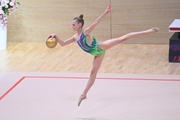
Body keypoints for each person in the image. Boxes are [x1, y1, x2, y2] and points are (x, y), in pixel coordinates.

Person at [47, 4, 159, 106]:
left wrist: (105, 12)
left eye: (73, 25)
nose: (72, 26)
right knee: (93, 73)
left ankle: (148, 31)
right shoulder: (75, 37)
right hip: (97, 55)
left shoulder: (85, 32)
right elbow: (62, 44)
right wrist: (55, 36)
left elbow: (96, 22)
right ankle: (83, 94)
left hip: (100, 47)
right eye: (72, 25)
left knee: (122, 38)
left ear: (79, 25)